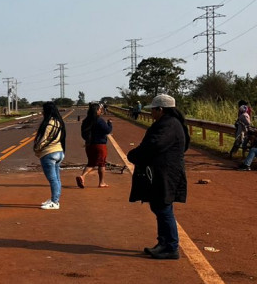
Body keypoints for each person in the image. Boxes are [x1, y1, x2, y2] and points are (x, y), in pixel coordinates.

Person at [127, 94, 190, 260]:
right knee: (159, 206)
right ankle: (164, 243)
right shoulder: (171, 123)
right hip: (164, 172)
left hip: (166, 173)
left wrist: (134, 155)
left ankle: (170, 246)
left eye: (153, 110)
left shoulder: (168, 125)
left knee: (163, 208)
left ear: (160, 109)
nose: (151, 113)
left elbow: (153, 146)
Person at [33, 102, 66, 210]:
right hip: (59, 152)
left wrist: (37, 150)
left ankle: (55, 202)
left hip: (49, 153)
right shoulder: (59, 122)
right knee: (57, 178)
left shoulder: (48, 124)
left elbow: (42, 140)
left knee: (53, 179)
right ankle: (54, 199)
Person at [76, 102, 112, 189]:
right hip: (100, 145)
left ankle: (83, 177)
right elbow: (107, 130)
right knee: (101, 163)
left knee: (91, 162)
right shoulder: (99, 120)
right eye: (100, 109)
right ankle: (98, 181)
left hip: (89, 145)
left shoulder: (86, 121)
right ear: (97, 111)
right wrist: (110, 123)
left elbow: (83, 134)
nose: (101, 111)